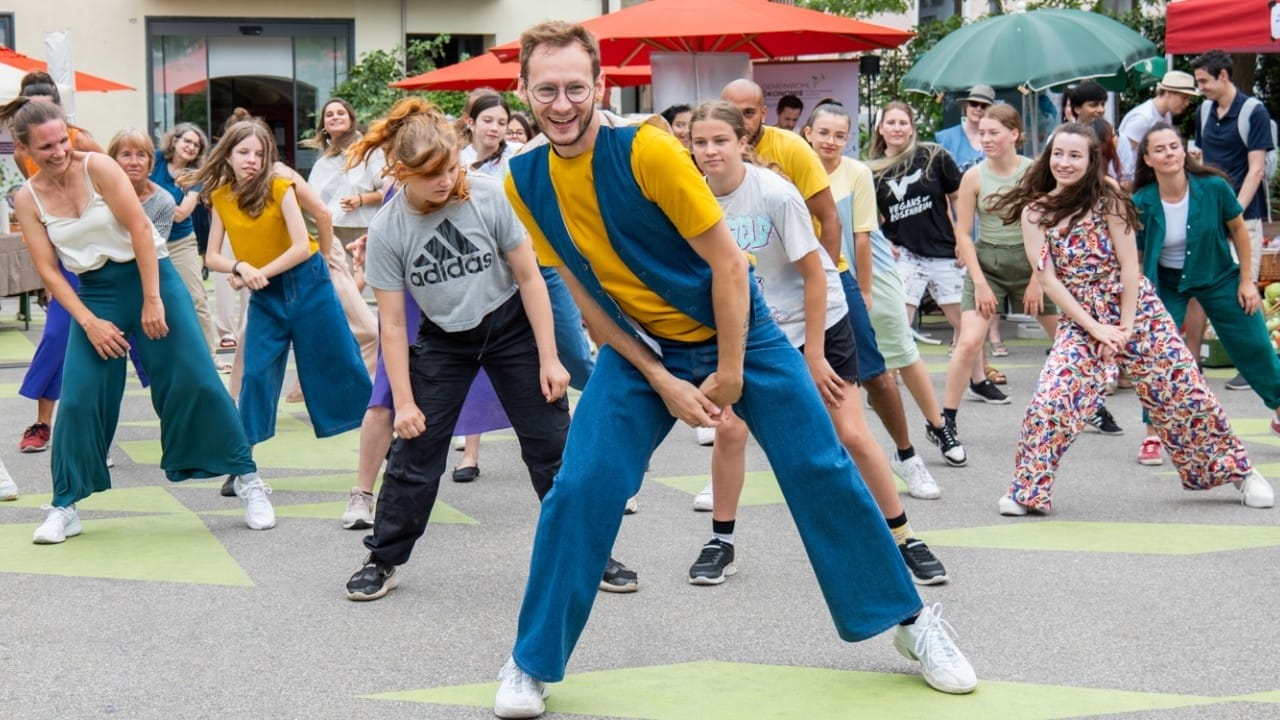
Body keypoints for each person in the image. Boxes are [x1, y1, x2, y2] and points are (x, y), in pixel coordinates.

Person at [491, 22, 977, 719]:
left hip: (743, 334)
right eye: (546, 90)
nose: (561, 103)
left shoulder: (648, 150)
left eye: (575, 87)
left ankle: (912, 622)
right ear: (523, 90)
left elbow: (727, 264)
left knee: (820, 468)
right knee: (580, 486)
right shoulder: (523, 179)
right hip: (641, 348)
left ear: (600, 85)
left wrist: (728, 373)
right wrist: (661, 378)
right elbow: (585, 295)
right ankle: (530, 660)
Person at [685, 100, 948, 589]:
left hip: (818, 320)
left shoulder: (775, 194)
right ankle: (721, 541)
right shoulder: (690, 198)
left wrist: (813, 353)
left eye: (720, 140)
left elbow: (816, 276)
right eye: (700, 142)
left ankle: (905, 537)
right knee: (730, 430)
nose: (710, 150)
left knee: (850, 432)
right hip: (750, 331)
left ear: (742, 142)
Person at [3, 97, 273, 542]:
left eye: (62, 141)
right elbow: (49, 270)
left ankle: (248, 479)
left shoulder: (99, 168)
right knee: (78, 399)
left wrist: (152, 300)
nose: (59, 152)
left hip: (153, 277)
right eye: (46, 146)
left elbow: (141, 230)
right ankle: (64, 505)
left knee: (197, 380)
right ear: (25, 149)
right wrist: (89, 322)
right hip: (96, 294)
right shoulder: (27, 198)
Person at [340, 97, 572, 601]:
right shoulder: (388, 229)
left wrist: (550, 358)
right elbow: (393, 325)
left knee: (552, 446)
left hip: (510, 327)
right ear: (402, 172)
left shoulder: (486, 195)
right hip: (444, 339)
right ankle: (383, 559)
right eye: (431, 175)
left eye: (450, 168)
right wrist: (404, 402)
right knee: (415, 453)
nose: (446, 181)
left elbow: (530, 277)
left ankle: (587, 554)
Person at [988, 122, 1274, 515]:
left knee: (1185, 391)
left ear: (1091, 160)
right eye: (1058, 154)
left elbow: (1128, 265)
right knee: (1051, 399)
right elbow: (1048, 280)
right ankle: (1027, 491)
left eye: (1075, 155)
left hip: (1137, 310)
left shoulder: (1108, 198)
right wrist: (1096, 329)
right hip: (1081, 320)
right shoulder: (1035, 212)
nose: (1065, 162)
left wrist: (1123, 327)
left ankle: (1242, 474)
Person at [184, 117, 371, 454]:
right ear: (227, 155)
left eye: (259, 154)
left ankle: (385, 439)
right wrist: (241, 267)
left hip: (307, 281)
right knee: (256, 372)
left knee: (342, 362)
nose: (252, 160)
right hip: (265, 293)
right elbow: (212, 256)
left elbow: (301, 247)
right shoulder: (221, 197)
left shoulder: (280, 186)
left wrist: (261, 272)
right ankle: (243, 459)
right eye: (243, 152)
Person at [802, 100, 964, 479]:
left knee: (899, 353)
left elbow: (862, 237)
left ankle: (938, 428)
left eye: (839, 135)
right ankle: (838, 456)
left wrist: (865, 290)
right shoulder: (794, 172)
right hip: (822, 280)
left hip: (869, 274)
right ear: (807, 133)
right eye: (823, 132)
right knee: (829, 368)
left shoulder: (857, 171)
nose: (830, 141)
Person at [942, 105, 1123, 438]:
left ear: (1014, 134)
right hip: (988, 265)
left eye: (993, 132)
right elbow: (963, 234)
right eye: (982, 133)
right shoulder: (973, 176)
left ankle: (1093, 406)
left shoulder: (1036, 172)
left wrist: (1036, 281)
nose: (985, 139)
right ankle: (944, 423)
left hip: (1034, 264)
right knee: (967, 343)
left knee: (1068, 340)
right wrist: (979, 282)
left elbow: (1046, 224)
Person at [1132, 123, 1280, 464]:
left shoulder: (1213, 187)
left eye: (1174, 146)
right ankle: (1153, 435)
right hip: (1166, 282)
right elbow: (1137, 255)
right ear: (1148, 159)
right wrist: (1139, 296)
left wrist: (1247, 281)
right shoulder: (1142, 201)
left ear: (1184, 151)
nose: (1169, 153)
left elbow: (1239, 231)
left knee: (1256, 344)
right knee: (1157, 355)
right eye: (1159, 149)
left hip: (1218, 276)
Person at [868, 101, 1005, 403]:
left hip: (945, 252)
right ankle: (885, 381)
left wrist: (962, 237)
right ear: (881, 128)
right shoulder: (871, 171)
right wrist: (884, 242)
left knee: (967, 324)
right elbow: (867, 217)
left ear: (911, 128)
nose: (897, 128)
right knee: (896, 321)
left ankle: (978, 380)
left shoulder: (933, 156)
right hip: (905, 255)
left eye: (903, 123)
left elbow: (958, 198)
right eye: (891, 122)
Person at [15, 75, 107, 454]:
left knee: (141, 343)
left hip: (104, 254)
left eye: (46, 103)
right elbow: (43, 213)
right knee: (57, 336)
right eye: (30, 104)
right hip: (65, 257)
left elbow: (116, 185)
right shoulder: (23, 154)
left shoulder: (80, 141)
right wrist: (50, 279)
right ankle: (43, 422)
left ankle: (177, 417)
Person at [1193, 49, 1276, 393]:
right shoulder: (1204, 111)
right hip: (1209, 216)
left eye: (1204, 81)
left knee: (1246, 291)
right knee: (1200, 287)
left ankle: (1256, 367)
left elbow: (1256, 169)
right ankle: (1192, 361)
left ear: (1224, 76)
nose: (1200, 88)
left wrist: (1234, 212)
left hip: (1244, 216)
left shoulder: (1253, 111)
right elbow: (1202, 159)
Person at [302, 97, 381, 376]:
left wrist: (361, 199)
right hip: (333, 235)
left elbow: (389, 188)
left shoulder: (369, 150)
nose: (335, 117)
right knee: (344, 303)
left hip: (368, 233)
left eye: (340, 113)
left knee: (372, 299)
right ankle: (347, 365)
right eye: (329, 114)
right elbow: (312, 200)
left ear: (351, 118)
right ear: (323, 125)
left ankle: (375, 367)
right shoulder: (324, 160)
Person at [151, 122, 222, 370]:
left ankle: (209, 356)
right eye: (187, 141)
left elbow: (182, 214)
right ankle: (160, 358)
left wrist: (150, 195)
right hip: (148, 241)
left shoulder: (196, 175)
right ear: (174, 141)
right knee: (154, 299)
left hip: (180, 242)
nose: (191, 147)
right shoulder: (156, 159)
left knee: (196, 298)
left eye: (196, 145)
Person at [1117, 71, 1199, 188]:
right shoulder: (1143, 118)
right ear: (1168, 93)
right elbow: (1123, 153)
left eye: (1189, 99)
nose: (1187, 103)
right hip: (1135, 184)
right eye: (1184, 98)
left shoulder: (1165, 114)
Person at [934, 84, 994, 172]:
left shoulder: (997, 139)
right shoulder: (945, 138)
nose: (978, 109)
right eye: (974, 104)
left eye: (984, 106)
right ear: (966, 107)